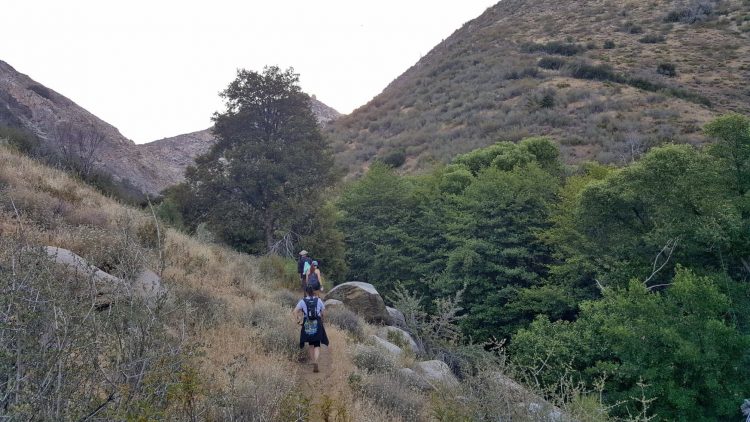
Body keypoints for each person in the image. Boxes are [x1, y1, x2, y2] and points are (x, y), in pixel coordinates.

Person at [293, 285, 329, 372]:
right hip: (317, 323)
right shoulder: (318, 300)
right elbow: (324, 312)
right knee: (317, 344)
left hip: (307, 324)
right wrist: (322, 319)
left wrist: (298, 321)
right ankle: (316, 361)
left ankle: (313, 361)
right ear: (313, 292)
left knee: (310, 345)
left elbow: (295, 311)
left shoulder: (302, 301)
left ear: (306, 292)